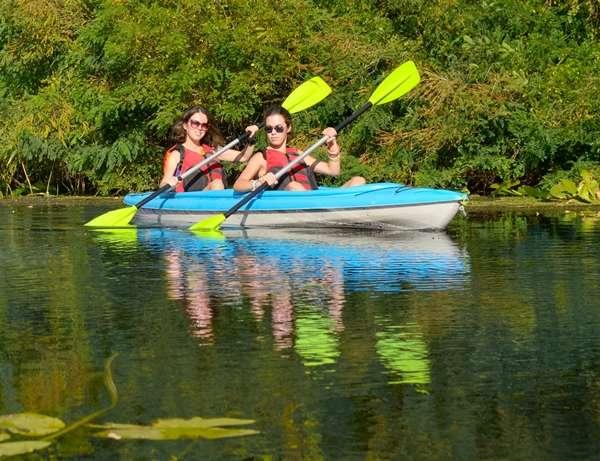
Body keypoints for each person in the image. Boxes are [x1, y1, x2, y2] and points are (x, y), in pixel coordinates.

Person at [233, 105, 365, 192]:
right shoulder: (261, 157)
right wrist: (257, 182)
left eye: (279, 128)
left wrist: (332, 148)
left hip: (315, 200)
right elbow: (238, 185)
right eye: (269, 129)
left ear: (288, 128)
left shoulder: (298, 153)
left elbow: (333, 171)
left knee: (359, 181)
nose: (273, 132)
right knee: (295, 186)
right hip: (290, 203)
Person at [160, 106, 258, 191]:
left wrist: (251, 140)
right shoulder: (176, 154)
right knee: (217, 184)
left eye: (204, 125)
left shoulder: (213, 150)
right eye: (195, 123)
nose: (199, 128)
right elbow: (163, 184)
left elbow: (244, 157)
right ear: (185, 125)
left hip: (213, 198)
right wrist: (169, 184)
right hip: (189, 204)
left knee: (217, 184)